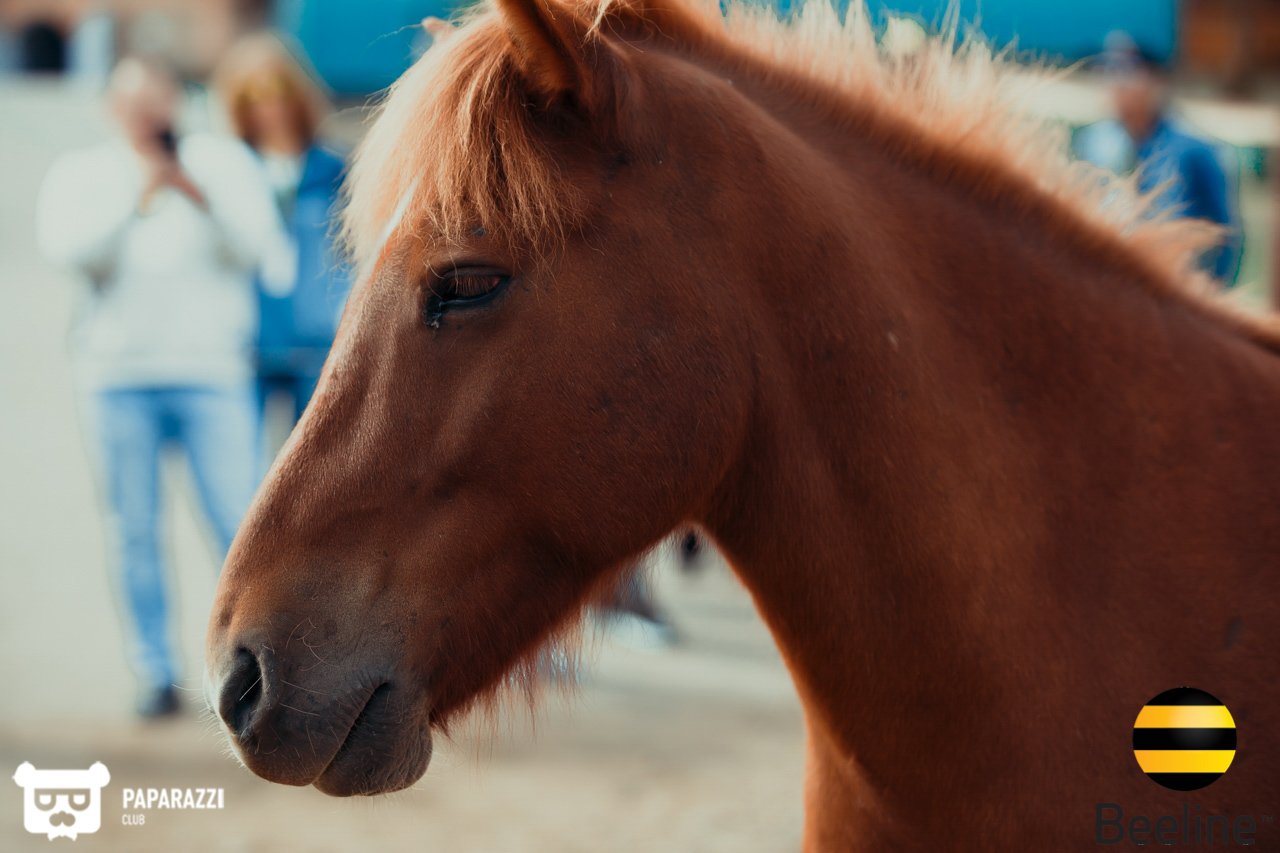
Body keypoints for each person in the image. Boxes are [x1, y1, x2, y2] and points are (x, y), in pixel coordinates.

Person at [35, 56, 293, 718]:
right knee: (134, 530)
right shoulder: (85, 174)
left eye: (157, 98)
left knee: (238, 523)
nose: (146, 112)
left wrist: (195, 192)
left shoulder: (225, 164)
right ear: (109, 110)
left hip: (212, 373)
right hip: (116, 378)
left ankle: (248, 666)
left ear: (178, 101)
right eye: (132, 101)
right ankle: (155, 671)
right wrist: (138, 193)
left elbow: (258, 248)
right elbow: (72, 253)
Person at [214, 34, 351, 447]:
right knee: (242, 473)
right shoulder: (227, 170)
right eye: (252, 94)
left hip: (317, 345)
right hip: (245, 345)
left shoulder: (336, 170)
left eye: (278, 89)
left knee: (314, 465)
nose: (268, 105)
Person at [1078, 36, 1242, 284]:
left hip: (1177, 290)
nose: (1117, 84)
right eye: (1109, 72)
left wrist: (1211, 294)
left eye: (1129, 73)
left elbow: (1225, 234)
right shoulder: (1095, 144)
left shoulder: (1192, 150)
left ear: (1156, 82)